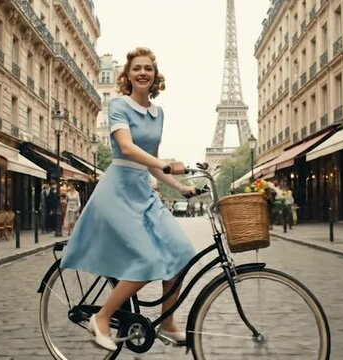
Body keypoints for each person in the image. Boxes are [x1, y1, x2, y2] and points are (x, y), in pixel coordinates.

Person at [60, 47, 197, 351]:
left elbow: (153, 162)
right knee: (146, 260)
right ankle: (103, 318)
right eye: (136, 68)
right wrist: (165, 164)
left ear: (155, 75)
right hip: (117, 191)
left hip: (142, 191)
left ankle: (167, 322)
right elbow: (127, 148)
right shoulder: (119, 105)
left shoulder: (158, 113)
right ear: (128, 75)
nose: (143, 73)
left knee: (179, 252)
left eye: (148, 68)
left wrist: (180, 186)